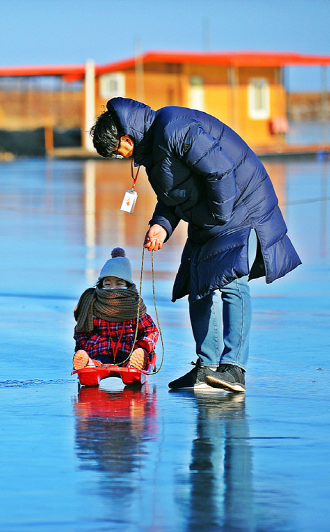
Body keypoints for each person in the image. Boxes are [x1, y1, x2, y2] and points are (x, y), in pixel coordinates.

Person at [90, 97, 301, 392]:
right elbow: (173, 195)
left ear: (125, 137)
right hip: (212, 214)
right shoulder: (153, 151)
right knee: (198, 285)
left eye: (117, 151)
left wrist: (219, 216)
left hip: (239, 204)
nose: (121, 156)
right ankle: (207, 367)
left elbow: (221, 170)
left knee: (232, 283)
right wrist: (161, 226)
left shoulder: (174, 128)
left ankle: (234, 368)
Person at [73, 247, 160, 371]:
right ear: (101, 284)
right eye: (107, 284)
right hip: (100, 349)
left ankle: (135, 364)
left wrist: (144, 346)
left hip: (128, 350)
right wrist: (84, 347)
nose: (113, 288)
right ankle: (89, 364)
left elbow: (150, 330)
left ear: (128, 285)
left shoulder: (133, 307)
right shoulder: (94, 305)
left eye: (119, 284)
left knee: (132, 359)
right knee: (97, 361)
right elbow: (82, 330)